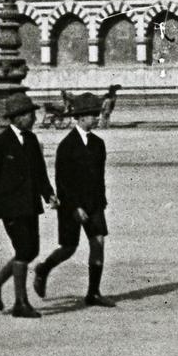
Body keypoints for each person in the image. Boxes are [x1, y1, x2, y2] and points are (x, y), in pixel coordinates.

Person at [0, 91, 56, 319]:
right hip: (9, 205)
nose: (33, 118)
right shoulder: (1, 143)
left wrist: (49, 194)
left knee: (32, 250)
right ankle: (21, 302)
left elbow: (40, 172)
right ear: (18, 117)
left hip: (30, 203)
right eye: (30, 114)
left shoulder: (31, 140)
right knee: (23, 250)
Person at [34, 93, 113, 306]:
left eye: (96, 114)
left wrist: (101, 200)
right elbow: (62, 182)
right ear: (80, 118)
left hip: (94, 203)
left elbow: (100, 176)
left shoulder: (99, 144)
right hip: (72, 205)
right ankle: (43, 269)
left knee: (98, 243)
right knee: (69, 248)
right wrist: (75, 207)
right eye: (92, 115)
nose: (96, 118)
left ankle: (93, 293)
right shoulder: (67, 145)